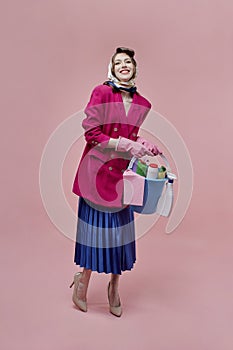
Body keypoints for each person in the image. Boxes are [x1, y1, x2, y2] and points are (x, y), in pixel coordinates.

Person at [70, 47, 161, 317]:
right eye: (118, 62)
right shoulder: (101, 92)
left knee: (120, 237)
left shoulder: (143, 104)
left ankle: (114, 286)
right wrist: (125, 143)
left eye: (128, 62)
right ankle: (82, 282)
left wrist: (142, 143)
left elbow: (132, 133)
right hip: (94, 175)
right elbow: (91, 132)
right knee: (94, 233)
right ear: (111, 68)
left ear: (134, 68)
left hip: (122, 179)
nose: (124, 65)